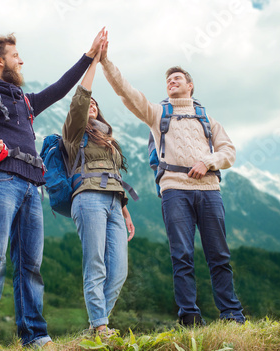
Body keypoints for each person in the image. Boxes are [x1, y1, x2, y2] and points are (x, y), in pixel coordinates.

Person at [0, 29, 106, 350]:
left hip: (31, 185)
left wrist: (89, 55)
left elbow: (59, 88)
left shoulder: (23, 100)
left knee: (30, 264)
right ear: (0, 61)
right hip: (0, 180)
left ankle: (35, 336)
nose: (21, 60)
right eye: (15, 56)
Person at [99, 36, 245, 326]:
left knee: (219, 254)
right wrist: (105, 61)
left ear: (190, 85)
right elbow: (127, 93)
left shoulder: (207, 119)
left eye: (177, 78)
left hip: (210, 189)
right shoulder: (157, 113)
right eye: (168, 80)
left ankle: (231, 314)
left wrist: (209, 161)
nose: (171, 82)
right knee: (182, 255)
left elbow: (229, 152)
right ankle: (189, 317)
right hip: (174, 190)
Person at [62, 41, 135, 335]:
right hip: (88, 198)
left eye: (95, 104)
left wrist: (126, 211)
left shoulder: (109, 139)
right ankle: (101, 326)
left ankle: (94, 327)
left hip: (114, 203)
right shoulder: (74, 132)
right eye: (88, 104)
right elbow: (81, 98)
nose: (91, 105)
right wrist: (94, 61)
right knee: (96, 264)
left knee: (118, 271)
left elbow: (114, 175)